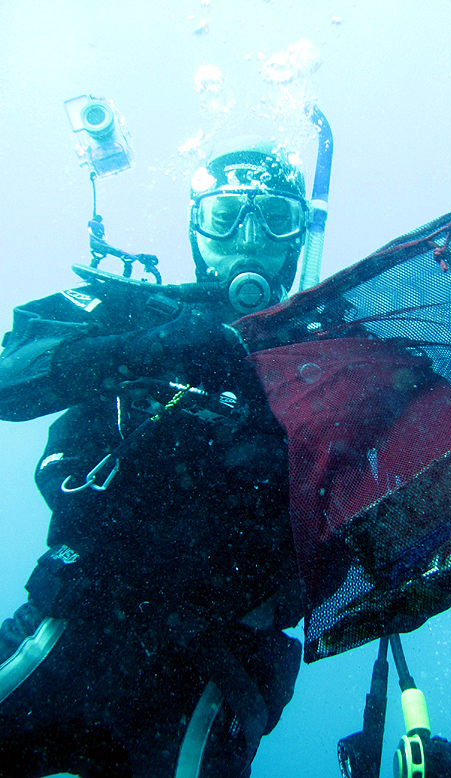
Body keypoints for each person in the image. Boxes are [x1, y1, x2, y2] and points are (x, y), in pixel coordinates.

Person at [0, 139, 309, 778]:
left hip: (218, 671)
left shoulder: (329, 359)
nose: (248, 240)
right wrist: (144, 348)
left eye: (275, 219)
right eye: (226, 217)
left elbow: (413, 474)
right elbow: (10, 377)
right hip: (71, 622)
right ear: (197, 227)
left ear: (297, 237)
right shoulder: (127, 309)